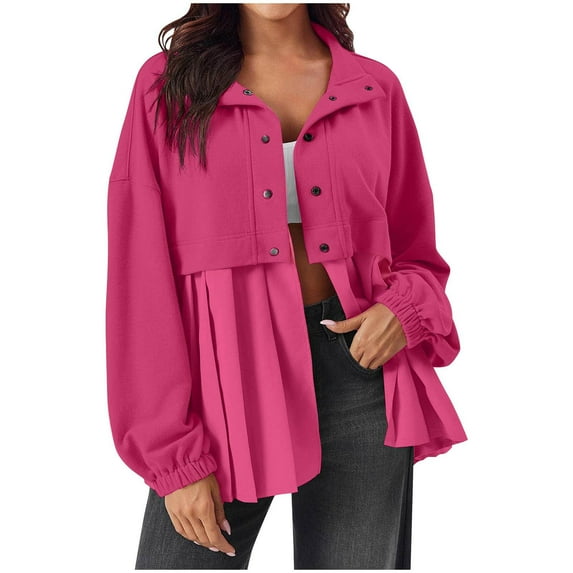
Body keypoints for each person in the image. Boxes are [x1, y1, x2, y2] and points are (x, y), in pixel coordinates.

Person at [105, 3, 467, 569]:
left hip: (360, 370)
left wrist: (404, 310)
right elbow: (139, 276)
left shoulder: (375, 88)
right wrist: (172, 455)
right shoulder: (168, 86)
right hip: (226, 379)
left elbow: (417, 253)